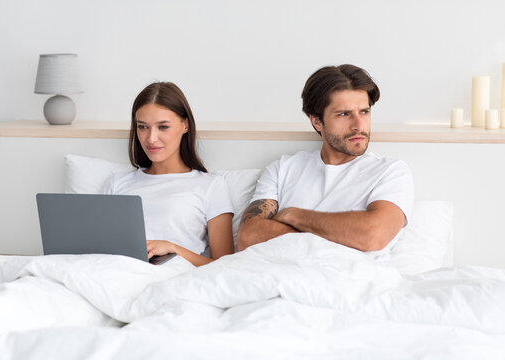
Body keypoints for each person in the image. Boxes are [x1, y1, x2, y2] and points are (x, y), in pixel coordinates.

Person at [237, 64, 413, 261]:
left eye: (364, 112)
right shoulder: (282, 169)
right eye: (344, 114)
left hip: (353, 282)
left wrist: (294, 216)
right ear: (317, 121)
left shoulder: (390, 172)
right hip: (281, 279)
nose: (358, 125)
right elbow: (248, 236)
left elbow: (373, 235)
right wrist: (345, 236)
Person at [104, 82, 234, 266]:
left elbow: (226, 266)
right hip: (114, 273)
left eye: (163, 127)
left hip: (175, 277)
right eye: (142, 127)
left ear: (185, 125)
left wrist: (174, 249)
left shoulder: (210, 186)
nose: (151, 138)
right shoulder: (116, 183)